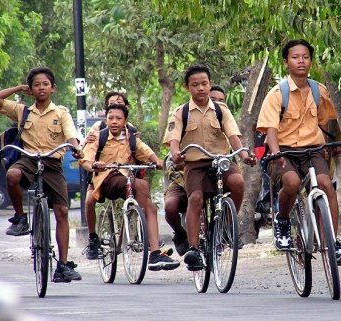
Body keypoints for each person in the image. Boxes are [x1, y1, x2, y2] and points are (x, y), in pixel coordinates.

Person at [256, 39, 341, 265]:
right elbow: (270, 129)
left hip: (313, 150)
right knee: (292, 182)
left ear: (311, 61)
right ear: (286, 62)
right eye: (295, 57)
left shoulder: (319, 91)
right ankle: (283, 221)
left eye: (305, 57)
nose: (301, 61)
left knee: (327, 186)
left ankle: (333, 241)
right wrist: (277, 155)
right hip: (284, 151)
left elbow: (328, 121)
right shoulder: (277, 94)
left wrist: (332, 145)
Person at [0, 67, 84, 282]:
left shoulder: (61, 113)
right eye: (36, 85)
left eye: (45, 84)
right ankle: (21, 219)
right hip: (29, 160)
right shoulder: (23, 111)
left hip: (52, 162)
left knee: (61, 210)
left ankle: (62, 265)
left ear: (53, 88)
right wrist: (19, 88)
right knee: (12, 175)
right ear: (31, 90)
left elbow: (71, 135)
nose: (41, 88)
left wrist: (76, 147)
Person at [165, 64, 255, 271]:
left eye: (204, 84)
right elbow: (174, 139)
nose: (201, 88)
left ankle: (227, 224)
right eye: (195, 85)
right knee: (195, 198)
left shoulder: (221, 110)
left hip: (221, 159)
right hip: (195, 164)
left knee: (238, 182)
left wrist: (243, 155)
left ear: (210, 84)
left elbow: (234, 137)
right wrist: (176, 153)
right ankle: (194, 248)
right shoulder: (181, 112)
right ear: (188, 88)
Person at [81, 103, 180, 271]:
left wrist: (157, 161)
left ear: (125, 121)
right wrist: (93, 165)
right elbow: (86, 159)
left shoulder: (132, 138)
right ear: (105, 119)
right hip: (106, 181)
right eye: (110, 118)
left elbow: (146, 151)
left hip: (127, 180)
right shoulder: (99, 137)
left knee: (151, 207)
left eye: (118, 118)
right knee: (140, 184)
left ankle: (154, 251)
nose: (114, 122)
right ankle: (142, 226)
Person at [162, 85, 229, 257]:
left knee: (231, 186)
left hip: (212, 174)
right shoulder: (183, 114)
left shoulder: (224, 120)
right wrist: (177, 155)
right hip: (183, 177)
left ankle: (223, 230)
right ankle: (182, 234)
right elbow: (173, 144)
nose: (217, 103)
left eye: (222, 101)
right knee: (172, 206)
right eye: (214, 100)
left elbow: (236, 148)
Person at [82, 91, 131, 260]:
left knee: (139, 196)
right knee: (89, 201)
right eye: (111, 103)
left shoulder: (131, 132)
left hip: (125, 173)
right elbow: (85, 151)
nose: (115, 120)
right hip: (100, 174)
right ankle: (93, 238)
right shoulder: (98, 129)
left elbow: (139, 151)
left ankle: (140, 234)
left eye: (119, 102)